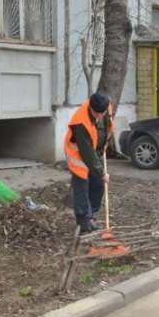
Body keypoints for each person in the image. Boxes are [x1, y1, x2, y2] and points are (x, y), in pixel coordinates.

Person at [64, 92, 114, 235]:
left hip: (95, 151)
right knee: (82, 189)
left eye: (101, 113)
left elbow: (106, 126)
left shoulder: (106, 105)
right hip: (79, 156)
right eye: (95, 113)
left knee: (98, 185)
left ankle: (91, 216)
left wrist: (104, 144)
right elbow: (87, 153)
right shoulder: (81, 123)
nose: (99, 116)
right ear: (90, 107)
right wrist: (102, 173)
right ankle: (84, 224)